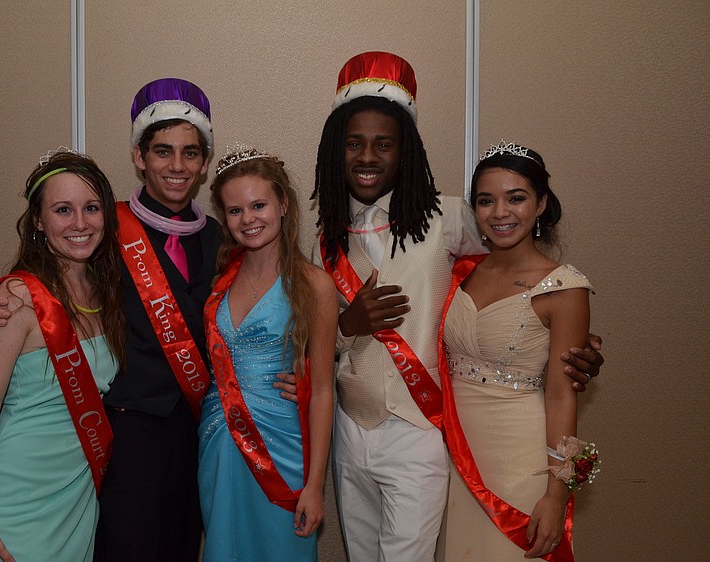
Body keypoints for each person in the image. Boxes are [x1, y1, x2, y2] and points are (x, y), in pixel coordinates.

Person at [0, 79, 301, 561]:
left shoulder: (222, 239)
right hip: (125, 437)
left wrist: (302, 370)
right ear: (139, 156)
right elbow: (52, 288)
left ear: (204, 163)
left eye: (190, 153)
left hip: (198, 432)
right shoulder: (104, 230)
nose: (176, 166)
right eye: (163, 151)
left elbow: (273, 306)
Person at [310, 51, 604, 561]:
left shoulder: (447, 217)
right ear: (337, 150)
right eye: (354, 143)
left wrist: (574, 342)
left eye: (384, 144)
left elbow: (518, 261)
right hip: (349, 426)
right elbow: (315, 342)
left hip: (420, 428)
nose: (367, 156)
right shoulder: (324, 240)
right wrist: (345, 325)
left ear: (405, 151)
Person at [0, 149, 125, 562]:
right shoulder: (15, 298)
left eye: (91, 208)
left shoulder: (105, 290)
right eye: (62, 210)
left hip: (78, 496)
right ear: (38, 220)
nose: (80, 223)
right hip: (22, 498)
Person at [438, 141, 595, 561]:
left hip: (518, 460)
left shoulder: (564, 287)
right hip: (450, 457)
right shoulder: (459, 271)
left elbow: (562, 396)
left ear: (541, 204)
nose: (500, 212)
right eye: (486, 200)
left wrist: (557, 494)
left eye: (516, 198)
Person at [198, 145, 337, 560]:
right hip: (219, 442)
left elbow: (323, 391)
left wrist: (315, 486)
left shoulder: (315, 285)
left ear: (283, 205)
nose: (248, 219)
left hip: (282, 446)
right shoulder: (218, 283)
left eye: (258, 205)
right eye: (235, 210)